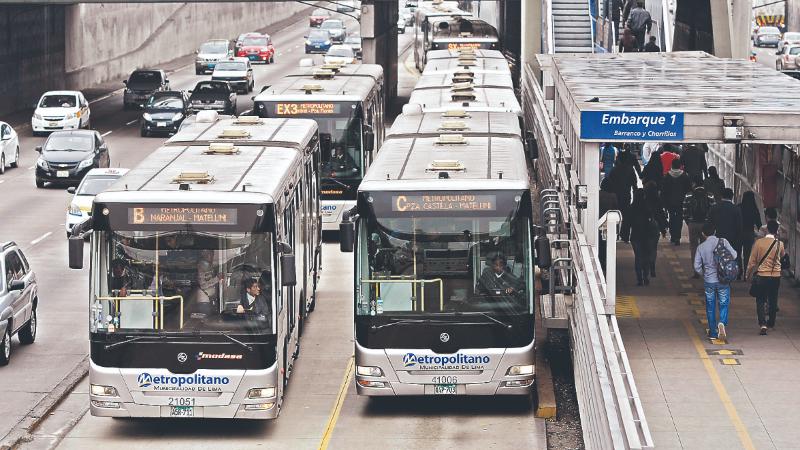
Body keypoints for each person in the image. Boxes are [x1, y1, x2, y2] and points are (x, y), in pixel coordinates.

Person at [694, 222, 736, 341]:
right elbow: (734, 255)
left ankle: (712, 332)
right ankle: (722, 322)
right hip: (723, 279)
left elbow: (696, 267)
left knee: (710, 306)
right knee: (723, 303)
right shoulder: (723, 241)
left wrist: (705, 274)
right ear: (715, 231)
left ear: (703, 234)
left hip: (709, 281)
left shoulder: (701, 247)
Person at [746, 220, 785, 335]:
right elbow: (782, 257)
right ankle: (771, 322)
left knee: (760, 300)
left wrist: (748, 274)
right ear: (777, 231)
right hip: (775, 276)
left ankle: (762, 324)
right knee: (773, 300)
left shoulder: (759, 243)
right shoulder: (780, 244)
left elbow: (752, 262)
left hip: (762, 275)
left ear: (767, 229)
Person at [683, 175, 715, 276]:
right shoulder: (709, 195)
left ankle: (696, 270)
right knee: (706, 247)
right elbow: (713, 210)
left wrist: (688, 221)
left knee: (694, 247)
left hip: (693, 223)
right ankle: (706, 269)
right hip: (705, 224)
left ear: (694, 184)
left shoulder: (689, 195)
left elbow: (684, 209)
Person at [707, 188, 742, 272]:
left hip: (718, 236)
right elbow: (739, 226)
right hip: (733, 237)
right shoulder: (736, 209)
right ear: (732, 197)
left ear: (721, 196)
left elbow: (709, 223)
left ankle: (720, 271)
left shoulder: (714, 208)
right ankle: (736, 272)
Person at [629, 189, 658, 285]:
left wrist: (624, 234)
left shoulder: (632, 207)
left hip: (635, 236)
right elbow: (652, 220)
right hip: (647, 235)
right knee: (646, 256)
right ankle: (646, 276)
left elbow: (627, 223)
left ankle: (639, 279)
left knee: (638, 257)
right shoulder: (647, 207)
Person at [660, 158, 691, 245]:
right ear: (680, 166)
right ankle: (677, 237)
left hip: (670, 202)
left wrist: (663, 203)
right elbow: (689, 190)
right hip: (681, 201)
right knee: (679, 219)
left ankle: (673, 236)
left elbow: (663, 191)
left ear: (672, 165)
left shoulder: (667, 176)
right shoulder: (685, 176)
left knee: (672, 217)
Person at [608, 162, 637, 242]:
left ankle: (615, 234)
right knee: (626, 216)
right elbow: (634, 184)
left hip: (615, 196)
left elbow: (609, 182)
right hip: (626, 196)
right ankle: (625, 235)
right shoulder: (630, 170)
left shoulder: (614, 170)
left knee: (614, 214)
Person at [644, 180, 667, 274]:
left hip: (644, 226)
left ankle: (646, 266)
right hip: (655, 227)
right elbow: (661, 215)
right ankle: (652, 264)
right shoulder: (658, 200)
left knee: (645, 247)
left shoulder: (643, 200)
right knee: (653, 247)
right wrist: (663, 229)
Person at [738, 191, 762, 280]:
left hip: (739, 233)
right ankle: (746, 275)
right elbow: (759, 224)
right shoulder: (754, 209)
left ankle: (739, 271)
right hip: (749, 233)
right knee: (747, 254)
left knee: (737, 252)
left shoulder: (739, 207)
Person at [599, 177, 620, 274]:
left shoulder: (598, 195)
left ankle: (601, 261)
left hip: (599, 222)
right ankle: (608, 262)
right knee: (609, 244)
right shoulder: (613, 196)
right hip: (609, 223)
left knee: (601, 243)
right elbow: (615, 209)